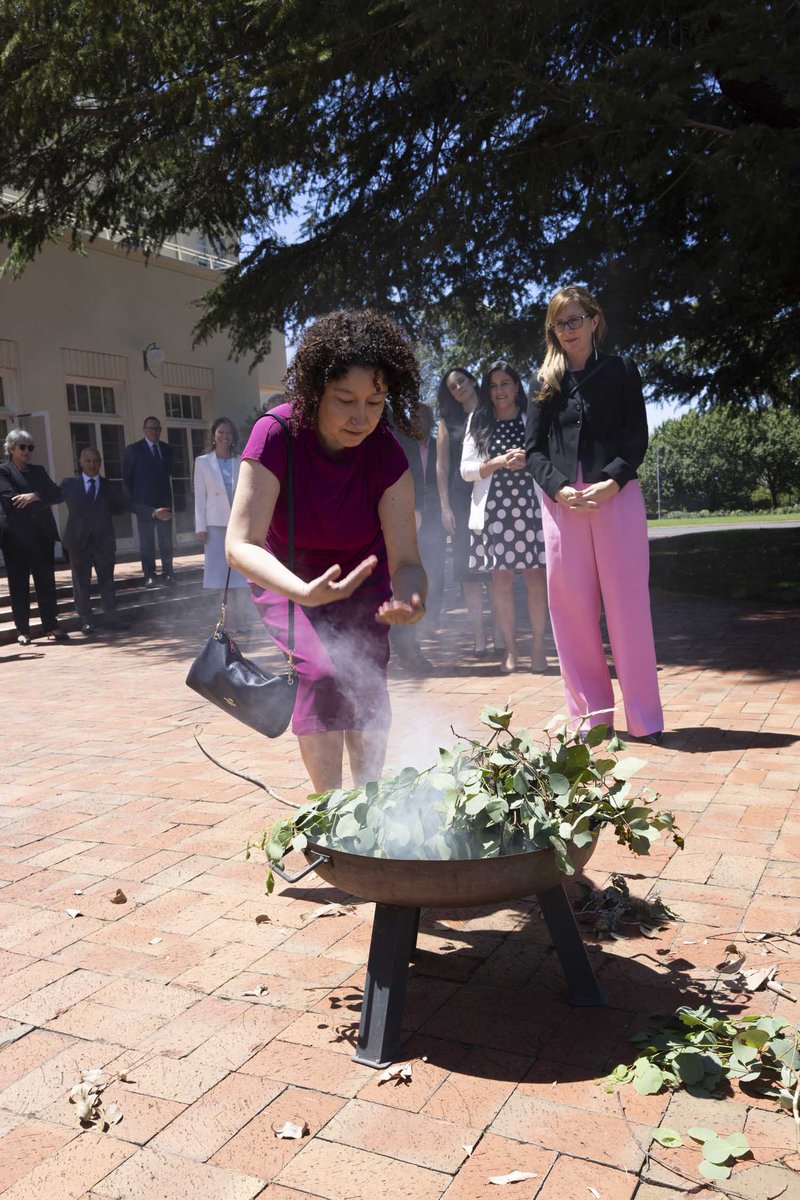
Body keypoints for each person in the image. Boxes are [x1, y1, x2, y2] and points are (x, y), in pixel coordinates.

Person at [226, 308, 427, 792]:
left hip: (364, 582)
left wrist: (413, 599)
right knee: (321, 673)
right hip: (289, 579)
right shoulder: (274, 433)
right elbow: (240, 544)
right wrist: (303, 592)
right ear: (316, 390)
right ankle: (329, 809)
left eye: (376, 402)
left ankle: (368, 804)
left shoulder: (386, 450)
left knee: (365, 681)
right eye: (346, 400)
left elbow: (407, 561)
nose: (362, 417)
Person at [525, 284, 663, 743]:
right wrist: (559, 488)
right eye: (559, 323)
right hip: (562, 504)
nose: (568, 330)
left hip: (615, 498)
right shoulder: (544, 383)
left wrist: (613, 481)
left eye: (575, 320)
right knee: (572, 613)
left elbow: (636, 437)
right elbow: (533, 450)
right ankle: (590, 719)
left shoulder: (621, 370)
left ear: (594, 321)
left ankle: (644, 721)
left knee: (628, 610)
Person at [461, 361, 548, 675]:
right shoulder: (478, 421)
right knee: (501, 579)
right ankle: (510, 651)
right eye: (494, 385)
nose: (499, 391)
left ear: (516, 386)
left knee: (536, 577)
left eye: (505, 384)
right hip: (495, 511)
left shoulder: (532, 418)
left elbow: (549, 457)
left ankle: (538, 648)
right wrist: (497, 461)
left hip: (532, 508)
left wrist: (529, 458)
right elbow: (466, 470)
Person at [436, 368, 491, 656]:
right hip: (460, 501)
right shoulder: (448, 421)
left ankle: (503, 637)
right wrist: (444, 506)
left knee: (496, 570)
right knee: (469, 572)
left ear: (472, 380)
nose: (459, 388)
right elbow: (442, 467)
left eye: (462, 382)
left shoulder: (492, 409)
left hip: (495, 497)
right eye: (453, 387)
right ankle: (479, 637)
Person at [391, 402, 445, 674]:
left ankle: (408, 647)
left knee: (408, 580)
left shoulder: (396, 424)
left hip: (405, 514)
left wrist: (414, 508)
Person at [0, 429, 68, 644]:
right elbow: (11, 500)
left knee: (46, 582)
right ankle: (23, 630)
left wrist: (34, 496)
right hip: (16, 539)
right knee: (19, 584)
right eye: (22, 447)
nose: (27, 452)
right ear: (11, 448)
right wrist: (41, 499)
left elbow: (57, 493)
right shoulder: (4, 471)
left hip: (41, 536)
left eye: (30, 447)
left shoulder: (38, 471)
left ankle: (51, 625)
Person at [60, 447, 135, 635]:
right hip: (79, 542)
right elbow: (52, 495)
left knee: (107, 582)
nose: (93, 465)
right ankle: (86, 621)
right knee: (81, 584)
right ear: (81, 462)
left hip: (103, 542)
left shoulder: (110, 487)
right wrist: (34, 496)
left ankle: (111, 618)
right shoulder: (70, 484)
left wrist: (152, 511)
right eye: (89, 461)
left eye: (96, 461)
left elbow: (128, 505)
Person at [193, 417, 251, 629]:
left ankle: (242, 619)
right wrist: (200, 527)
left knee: (240, 575)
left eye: (229, 433)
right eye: (221, 433)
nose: (225, 437)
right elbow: (200, 495)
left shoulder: (241, 460)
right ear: (213, 436)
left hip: (238, 523)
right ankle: (226, 620)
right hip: (215, 524)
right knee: (220, 576)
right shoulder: (202, 462)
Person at [122, 417, 174, 586]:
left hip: (164, 502)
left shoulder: (166, 449)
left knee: (166, 540)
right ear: (144, 430)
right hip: (144, 505)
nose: (154, 432)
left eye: (157, 428)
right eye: (151, 428)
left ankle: (168, 573)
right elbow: (127, 479)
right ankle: (149, 574)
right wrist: (132, 503)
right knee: (147, 541)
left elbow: (169, 476)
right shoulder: (134, 450)